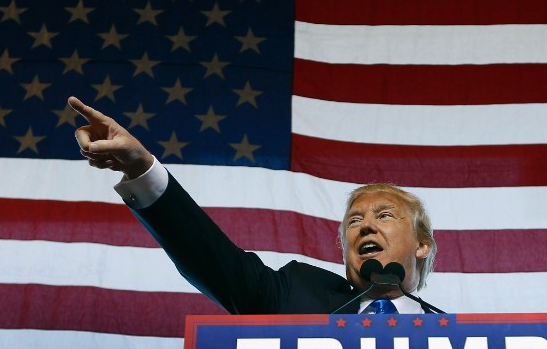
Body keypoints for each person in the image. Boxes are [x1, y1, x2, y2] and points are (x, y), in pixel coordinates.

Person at [68, 96, 438, 314]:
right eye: (353, 221)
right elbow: (210, 258)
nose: (365, 227)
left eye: (384, 215)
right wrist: (141, 167)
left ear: (422, 244)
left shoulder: (462, 343)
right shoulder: (295, 292)